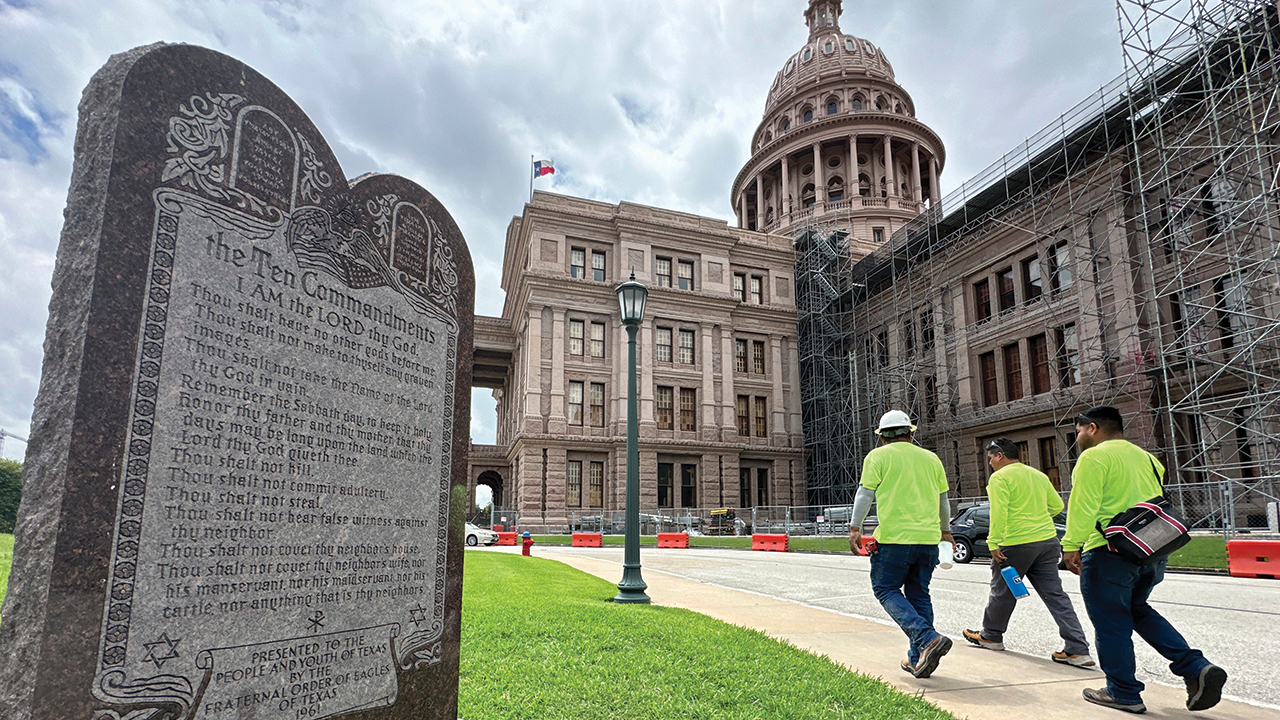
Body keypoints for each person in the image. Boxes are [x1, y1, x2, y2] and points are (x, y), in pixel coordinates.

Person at [1063, 406, 1227, 714]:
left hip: (1109, 551)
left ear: (1093, 428)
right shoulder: (1148, 459)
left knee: (1111, 621)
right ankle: (1195, 667)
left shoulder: (1093, 457)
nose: (1079, 438)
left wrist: (1071, 545)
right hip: (1151, 550)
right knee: (1138, 610)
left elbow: (1084, 504)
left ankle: (1122, 691)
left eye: (1079, 431)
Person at [962, 438, 1093, 667]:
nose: (990, 462)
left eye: (991, 457)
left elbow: (999, 512)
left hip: (1015, 545)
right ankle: (1077, 649)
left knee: (1003, 591)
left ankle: (991, 635)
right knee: (1055, 595)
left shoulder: (1000, 478)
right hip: (1046, 543)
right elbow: (1057, 507)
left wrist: (993, 542)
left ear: (1000, 455)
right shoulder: (1038, 476)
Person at [849, 410, 954, 678]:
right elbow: (943, 500)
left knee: (885, 588)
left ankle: (927, 638)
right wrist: (945, 530)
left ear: (882, 437)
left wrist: (855, 527)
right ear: (911, 432)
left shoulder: (878, 457)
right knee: (919, 594)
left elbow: (865, 494)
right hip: (928, 541)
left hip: (894, 540)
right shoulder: (931, 459)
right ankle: (918, 658)